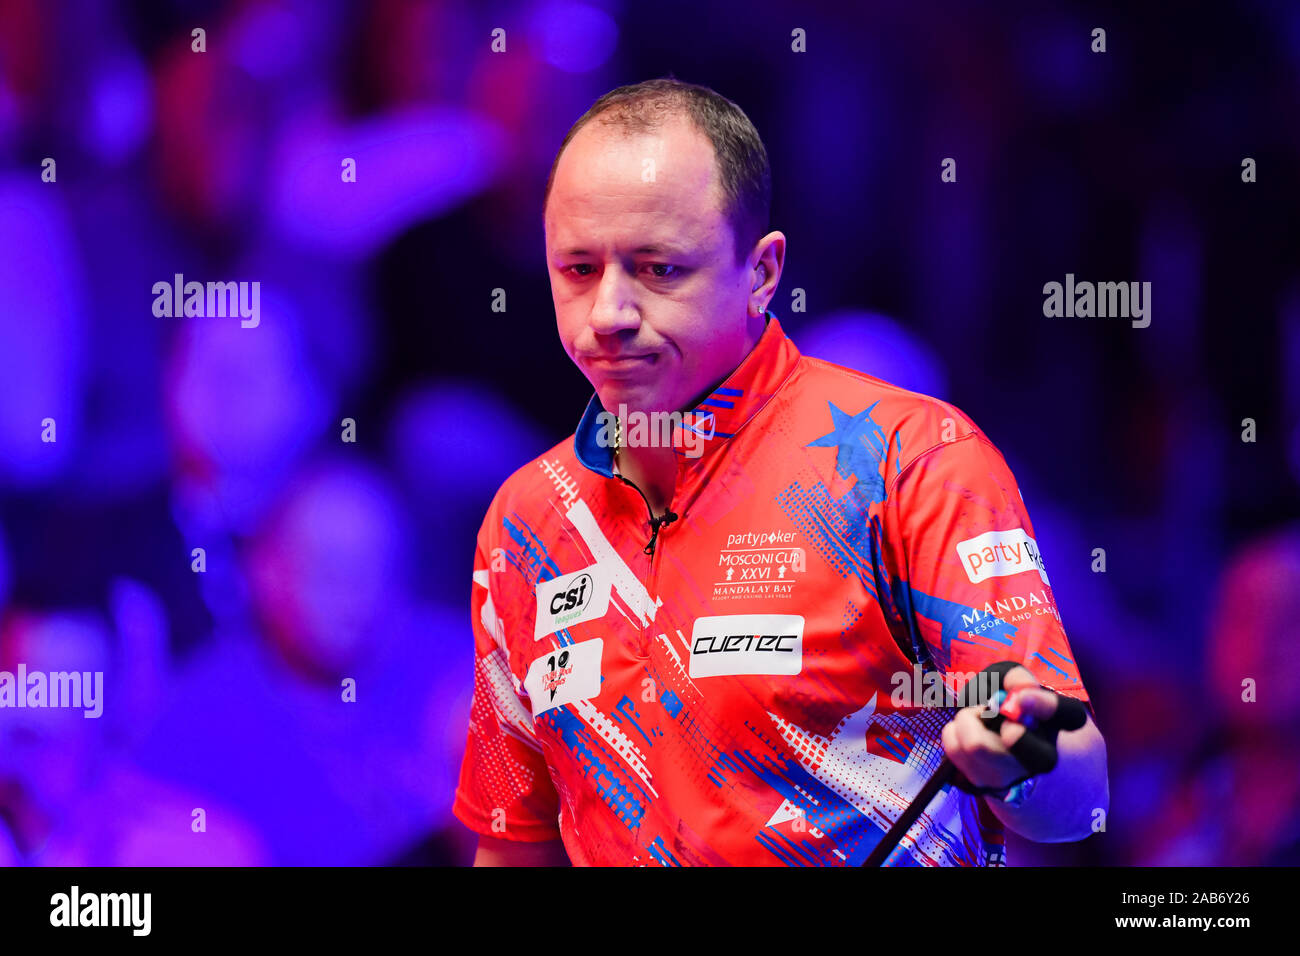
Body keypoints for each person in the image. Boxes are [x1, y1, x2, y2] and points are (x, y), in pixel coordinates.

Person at [452, 77, 1108, 866]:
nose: (608, 315)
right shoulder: (527, 521)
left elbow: (1082, 799)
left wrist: (1022, 763)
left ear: (762, 272)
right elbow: (511, 843)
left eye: (659, 269)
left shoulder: (913, 461)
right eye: (578, 270)